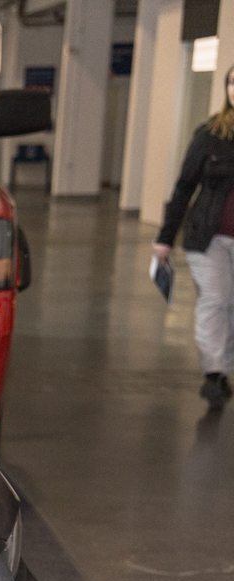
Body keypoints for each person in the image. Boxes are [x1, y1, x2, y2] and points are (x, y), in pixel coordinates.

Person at [154, 64, 234, 409]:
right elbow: (184, 186)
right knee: (215, 300)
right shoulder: (209, 133)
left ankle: (223, 365)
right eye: (232, 83)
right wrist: (165, 237)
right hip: (208, 237)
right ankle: (214, 374)